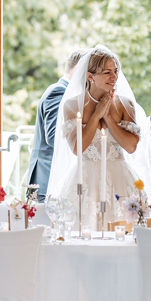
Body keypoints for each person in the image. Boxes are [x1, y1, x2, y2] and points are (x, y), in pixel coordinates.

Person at [49, 46, 149, 227]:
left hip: (120, 179)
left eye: (116, 71)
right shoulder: (72, 106)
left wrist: (108, 118)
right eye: (107, 72)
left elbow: (130, 146)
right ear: (90, 76)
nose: (114, 77)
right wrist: (95, 115)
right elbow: (77, 149)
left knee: (122, 231)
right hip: (85, 180)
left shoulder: (125, 105)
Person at [26, 49, 89, 201]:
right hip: (48, 178)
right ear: (78, 70)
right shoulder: (59, 92)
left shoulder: (63, 91)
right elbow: (54, 137)